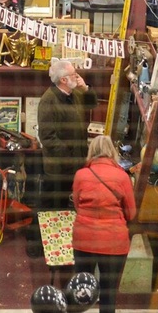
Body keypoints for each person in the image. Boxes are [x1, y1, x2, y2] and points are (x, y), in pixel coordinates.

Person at [71, 135, 136, 313]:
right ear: (112, 152)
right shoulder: (122, 177)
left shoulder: (80, 175)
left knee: (81, 290)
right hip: (113, 242)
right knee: (108, 294)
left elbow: (77, 205)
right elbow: (131, 213)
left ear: (91, 151)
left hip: (84, 239)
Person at [39, 58, 98, 209]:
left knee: (70, 206)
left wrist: (85, 88)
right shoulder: (48, 101)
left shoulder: (75, 93)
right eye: (74, 74)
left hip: (76, 164)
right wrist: (70, 155)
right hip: (59, 170)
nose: (77, 77)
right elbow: (48, 138)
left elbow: (92, 104)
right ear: (64, 79)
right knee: (55, 209)